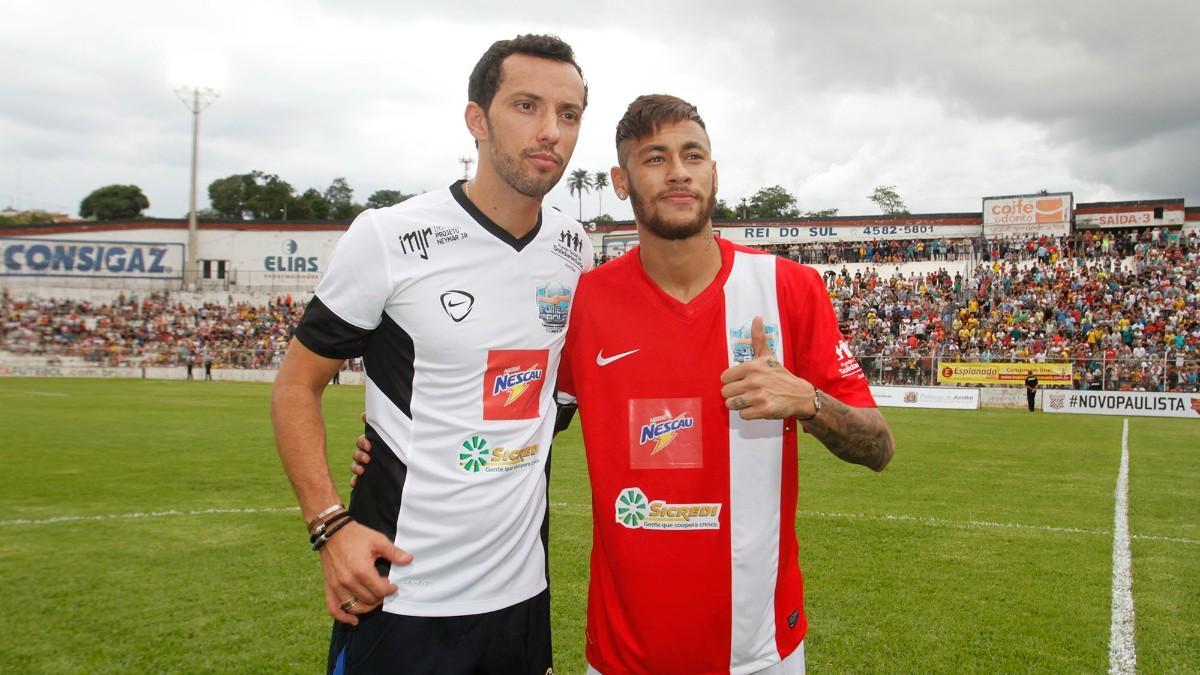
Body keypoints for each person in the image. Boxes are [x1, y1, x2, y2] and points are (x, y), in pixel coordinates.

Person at [355, 95, 895, 674]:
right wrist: (394, 449)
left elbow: (878, 448)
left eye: (693, 155)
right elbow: (515, 414)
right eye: (655, 158)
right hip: (622, 657)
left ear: (715, 171)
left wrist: (808, 403)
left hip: (761, 652)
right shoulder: (584, 303)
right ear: (621, 180)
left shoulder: (789, 289)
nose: (679, 172)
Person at [272, 34, 591, 674]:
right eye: (526, 106)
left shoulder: (574, 248)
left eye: (569, 114)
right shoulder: (388, 236)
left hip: (521, 601)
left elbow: (545, 404)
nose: (550, 131)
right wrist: (330, 525)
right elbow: (294, 387)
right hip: (399, 595)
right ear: (477, 118)